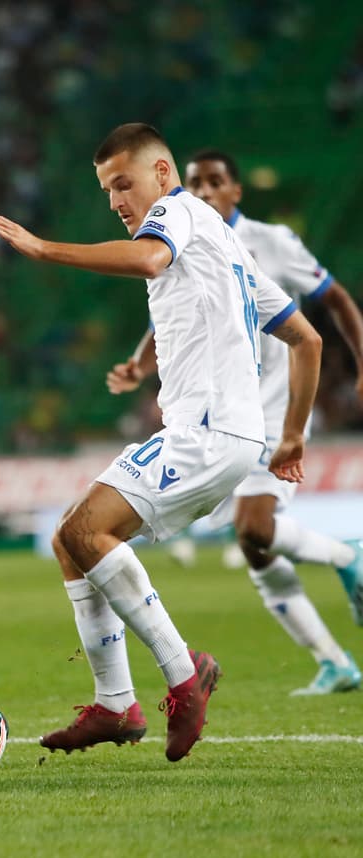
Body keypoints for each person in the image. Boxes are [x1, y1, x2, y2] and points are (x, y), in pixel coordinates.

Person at [0, 123, 323, 761]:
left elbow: (148, 257)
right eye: (108, 189)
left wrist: (43, 249)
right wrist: (292, 435)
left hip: (208, 432)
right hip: (225, 435)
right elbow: (307, 339)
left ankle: (185, 675)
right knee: (69, 540)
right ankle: (116, 705)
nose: (116, 201)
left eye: (123, 184)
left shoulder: (179, 211)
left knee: (86, 532)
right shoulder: (229, 249)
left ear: (163, 175)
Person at [104, 147, 363, 695]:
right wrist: (139, 362)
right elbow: (173, 310)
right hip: (223, 405)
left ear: (236, 191)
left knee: (253, 526)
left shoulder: (272, 243)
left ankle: (347, 556)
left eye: (216, 182)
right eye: (195, 182)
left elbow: (333, 300)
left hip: (270, 404)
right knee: (252, 544)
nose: (204, 191)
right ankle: (333, 660)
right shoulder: (192, 237)